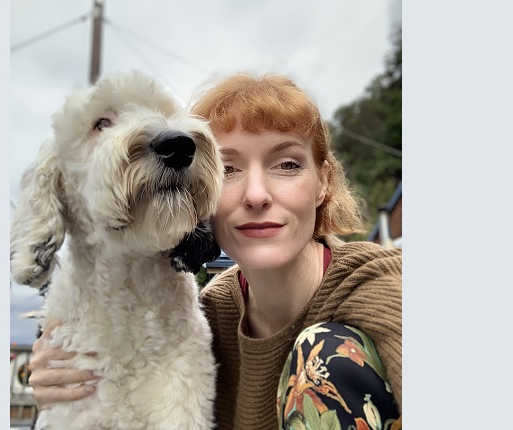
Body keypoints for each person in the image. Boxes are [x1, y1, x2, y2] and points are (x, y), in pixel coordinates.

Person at [27, 73, 402, 430]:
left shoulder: (377, 283)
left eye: (287, 165)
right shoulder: (208, 313)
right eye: (229, 169)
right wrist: (57, 376)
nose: (257, 195)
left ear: (322, 183)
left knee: (325, 352)